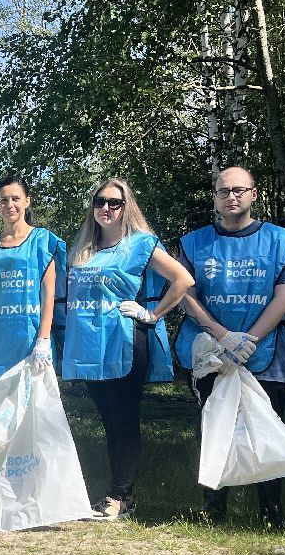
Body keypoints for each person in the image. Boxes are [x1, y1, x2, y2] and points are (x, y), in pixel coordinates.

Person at [174, 166, 285, 531]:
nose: (231, 196)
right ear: (215, 197)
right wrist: (221, 335)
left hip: (265, 355)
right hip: (208, 353)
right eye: (223, 191)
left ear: (254, 194)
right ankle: (214, 509)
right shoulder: (194, 243)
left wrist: (249, 340)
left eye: (239, 190)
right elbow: (184, 292)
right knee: (212, 428)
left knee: (267, 429)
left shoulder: (280, 241)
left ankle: (271, 512)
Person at [61, 178, 192, 521]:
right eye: (99, 201)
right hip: (90, 346)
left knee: (124, 421)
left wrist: (152, 313)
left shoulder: (140, 244)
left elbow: (183, 280)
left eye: (114, 203)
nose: (106, 207)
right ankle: (119, 495)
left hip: (125, 342)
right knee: (108, 422)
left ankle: (119, 496)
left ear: (125, 208)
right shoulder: (82, 250)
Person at [0, 176, 65, 383]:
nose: (9, 205)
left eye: (15, 198)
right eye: (3, 200)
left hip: (29, 340)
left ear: (26, 201)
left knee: (32, 409)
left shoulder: (42, 242)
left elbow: (49, 293)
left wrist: (43, 340)